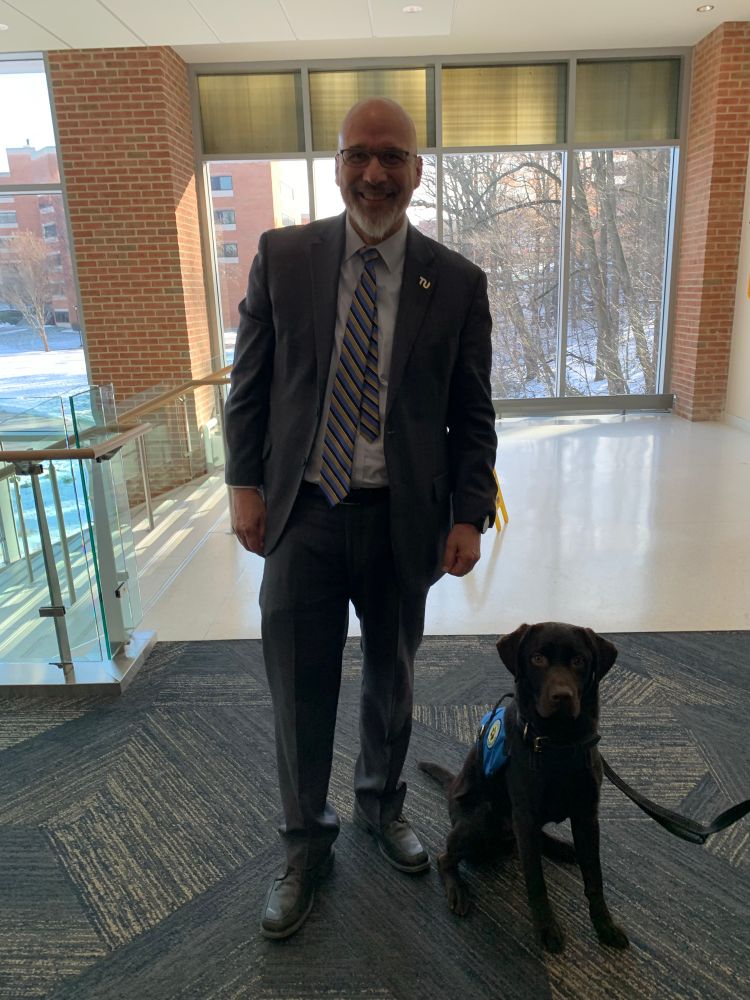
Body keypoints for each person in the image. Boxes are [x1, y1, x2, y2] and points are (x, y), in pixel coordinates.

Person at [224, 97, 498, 940]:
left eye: (393, 157)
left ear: (418, 170)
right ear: (336, 164)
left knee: (393, 676)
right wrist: (244, 485)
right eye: (358, 156)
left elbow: (472, 412)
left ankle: (381, 807)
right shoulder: (283, 257)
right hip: (304, 512)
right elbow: (252, 387)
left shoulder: (455, 281)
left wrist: (469, 513)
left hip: (400, 519)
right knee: (298, 687)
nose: (374, 173)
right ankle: (307, 841)